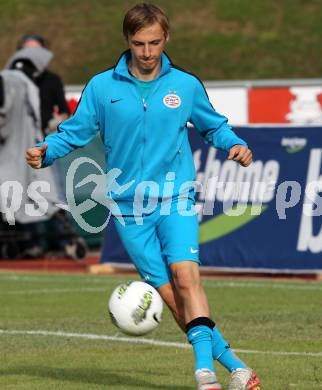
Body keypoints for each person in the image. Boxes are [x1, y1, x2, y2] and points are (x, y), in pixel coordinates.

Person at [26, 3, 261, 389]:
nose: (148, 52)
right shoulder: (103, 87)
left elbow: (213, 125)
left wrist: (234, 144)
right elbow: (74, 131)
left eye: (154, 42)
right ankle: (238, 367)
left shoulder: (184, 85)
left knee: (187, 279)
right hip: (128, 209)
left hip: (175, 198)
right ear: (127, 41)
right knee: (172, 300)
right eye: (139, 44)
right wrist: (46, 151)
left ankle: (205, 376)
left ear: (166, 38)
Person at [17, 34, 70, 134]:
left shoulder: (53, 80)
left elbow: (65, 111)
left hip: (44, 136)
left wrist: (54, 124)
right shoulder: (12, 80)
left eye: (37, 51)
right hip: (17, 134)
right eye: (27, 50)